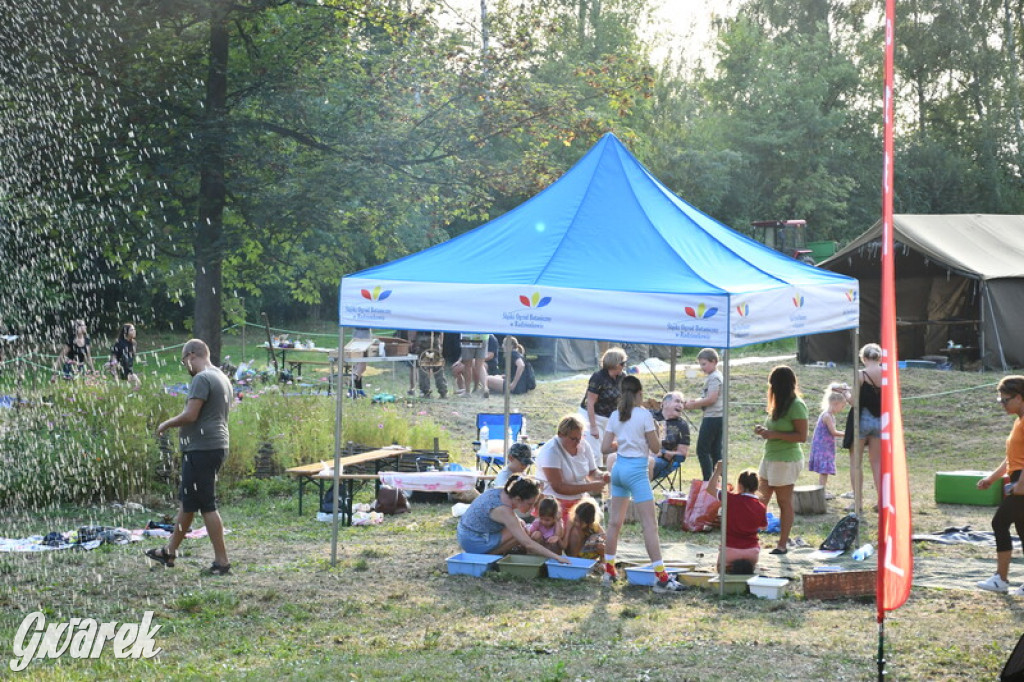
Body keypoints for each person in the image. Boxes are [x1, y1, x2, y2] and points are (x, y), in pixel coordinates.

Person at [147, 339, 233, 575]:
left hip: (202, 448)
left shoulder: (202, 378)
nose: (186, 366)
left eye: (185, 361)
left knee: (206, 504)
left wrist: (166, 423)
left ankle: (222, 562)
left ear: (192, 355)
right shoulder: (222, 377)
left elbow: (191, 414)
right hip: (214, 445)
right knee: (189, 503)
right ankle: (169, 553)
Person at [601, 375, 687, 593]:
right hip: (637, 470)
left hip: (618, 468)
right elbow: (656, 449)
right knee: (650, 525)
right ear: (639, 393)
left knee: (614, 523)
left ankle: (608, 570)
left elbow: (604, 448)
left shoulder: (615, 415)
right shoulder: (645, 415)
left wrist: (623, 441)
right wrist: (656, 431)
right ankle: (661, 577)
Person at [976, 376, 1024, 593]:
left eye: (1006, 400)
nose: (1002, 405)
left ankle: (1001, 579)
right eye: (1000, 400)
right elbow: (1011, 458)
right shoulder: (1019, 421)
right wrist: (991, 478)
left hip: (1022, 482)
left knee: (999, 523)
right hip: (1017, 479)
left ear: (1020, 398)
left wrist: (1021, 484)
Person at [754, 365, 808, 555]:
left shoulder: (797, 405)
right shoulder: (777, 404)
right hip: (770, 456)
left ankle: (782, 544)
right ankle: (752, 540)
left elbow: (801, 436)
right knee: (759, 501)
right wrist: (764, 431)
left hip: (786, 459)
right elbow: (775, 430)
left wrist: (772, 433)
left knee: (784, 502)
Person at [456, 475, 570, 563]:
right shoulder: (504, 510)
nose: (531, 509)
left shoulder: (503, 492)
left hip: (466, 533)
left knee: (521, 526)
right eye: (529, 504)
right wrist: (557, 557)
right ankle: (488, 558)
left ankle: (493, 554)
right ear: (518, 499)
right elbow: (528, 543)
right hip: (471, 540)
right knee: (520, 534)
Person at [535, 414, 609, 527]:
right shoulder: (551, 451)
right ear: (560, 434)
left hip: (579, 499)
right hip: (554, 503)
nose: (577, 442)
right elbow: (559, 487)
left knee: (594, 528)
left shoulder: (584, 445)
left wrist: (602, 476)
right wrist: (591, 487)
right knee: (574, 531)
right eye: (573, 439)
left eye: (580, 438)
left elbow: (592, 472)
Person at [706, 461, 768, 573]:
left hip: (730, 549)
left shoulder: (730, 498)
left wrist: (718, 471)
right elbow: (763, 527)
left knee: (721, 570)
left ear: (739, 485)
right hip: (752, 552)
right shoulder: (761, 506)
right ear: (756, 487)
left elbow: (710, 488)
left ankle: (728, 567)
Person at [579, 347, 628, 466]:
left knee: (613, 450)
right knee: (595, 453)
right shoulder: (598, 377)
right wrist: (593, 426)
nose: (624, 366)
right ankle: (594, 481)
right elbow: (590, 403)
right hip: (592, 416)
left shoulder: (623, 377)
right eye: (623, 363)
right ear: (615, 364)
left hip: (610, 418)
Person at [850, 342, 883, 514]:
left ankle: (858, 503)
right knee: (876, 462)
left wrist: (845, 393)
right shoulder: (886, 373)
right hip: (879, 421)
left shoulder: (860, 374)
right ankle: (881, 500)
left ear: (863, 358)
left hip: (861, 419)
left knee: (856, 461)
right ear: (879, 357)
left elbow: (854, 401)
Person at [684, 348, 723, 480]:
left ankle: (708, 480)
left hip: (713, 418)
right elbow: (707, 397)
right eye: (700, 364)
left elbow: (712, 399)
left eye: (704, 364)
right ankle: (719, 481)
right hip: (718, 417)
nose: (702, 368)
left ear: (714, 362)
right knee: (715, 451)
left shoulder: (714, 378)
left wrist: (694, 405)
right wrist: (695, 401)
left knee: (702, 450)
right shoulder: (714, 376)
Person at [809, 382, 849, 498]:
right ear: (835, 403)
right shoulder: (827, 416)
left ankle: (823, 490)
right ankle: (822, 492)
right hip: (823, 447)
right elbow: (834, 432)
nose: (842, 409)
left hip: (826, 447)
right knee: (824, 471)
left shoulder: (829, 415)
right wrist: (848, 434)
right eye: (842, 406)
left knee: (824, 471)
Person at [651, 391, 690, 481]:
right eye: (677, 401)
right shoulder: (650, 416)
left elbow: (682, 453)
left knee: (642, 465)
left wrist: (663, 453)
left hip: (662, 461)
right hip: (641, 453)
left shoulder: (681, 425)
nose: (680, 405)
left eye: (682, 403)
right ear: (665, 403)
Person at [565, 496, 605, 560]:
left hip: (588, 554)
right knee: (576, 533)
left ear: (589, 522)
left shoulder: (594, 526)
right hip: (576, 555)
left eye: (580, 522)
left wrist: (596, 539)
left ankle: (602, 564)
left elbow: (604, 537)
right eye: (575, 520)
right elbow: (572, 553)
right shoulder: (574, 528)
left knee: (601, 544)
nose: (577, 524)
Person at [456, 333, 491, 397]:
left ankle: (467, 392)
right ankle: (485, 388)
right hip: (483, 336)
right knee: (480, 366)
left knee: (467, 366)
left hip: (468, 335)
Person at [108, 323, 140, 388]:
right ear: (126, 332)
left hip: (129, 371)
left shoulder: (134, 343)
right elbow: (113, 358)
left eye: (134, 329)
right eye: (131, 330)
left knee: (137, 386)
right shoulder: (119, 343)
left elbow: (131, 357)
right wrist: (115, 374)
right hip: (119, 371)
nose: (134, 331)